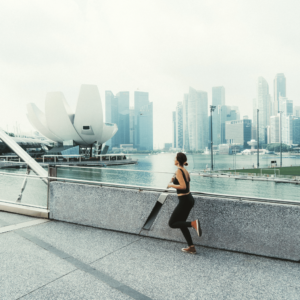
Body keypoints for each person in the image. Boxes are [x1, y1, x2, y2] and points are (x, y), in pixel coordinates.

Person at [167, 152, 202, 254]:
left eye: (175, 158)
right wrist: (174, 180)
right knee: (182, 223)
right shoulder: (185, 171)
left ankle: (193, 224)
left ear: (178, 160)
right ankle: (191, 247)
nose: (174, 159)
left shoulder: (179, 171)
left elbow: (183, 187)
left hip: (184, 201)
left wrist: (171, 185)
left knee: (172, 223)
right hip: (189, 199)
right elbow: (187, 187)